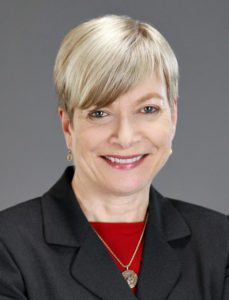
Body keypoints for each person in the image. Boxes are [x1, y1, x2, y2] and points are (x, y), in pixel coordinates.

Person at [0, 15, 228, 300]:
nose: (125, 137)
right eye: (99, 113)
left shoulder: (221, 243)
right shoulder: (7, 246)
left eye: (147, 109)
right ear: (68, 126)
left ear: (173, 116)